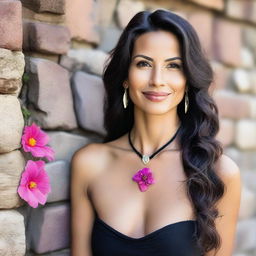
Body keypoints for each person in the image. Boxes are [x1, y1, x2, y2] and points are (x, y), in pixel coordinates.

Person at [70, 9, 241, 256]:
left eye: (173, 66)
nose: (157, 79)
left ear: (188, 79)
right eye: (143, 63)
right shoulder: (89, 163)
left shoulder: (219, 173)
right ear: (126, 77)